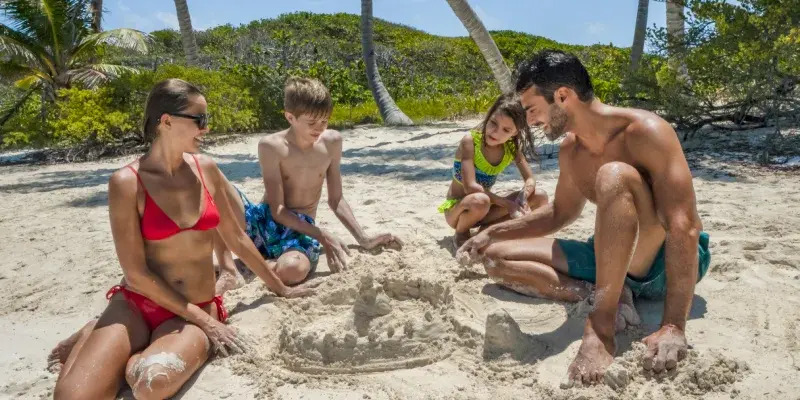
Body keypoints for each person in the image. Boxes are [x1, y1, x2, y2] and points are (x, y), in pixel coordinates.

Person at [456, 50, 711, 385]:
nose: (529, 122)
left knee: (614, 175)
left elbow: (685, 225)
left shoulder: (645, 131)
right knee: (495, 259)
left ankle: (602, 324)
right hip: (611, 253)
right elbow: (560, 213)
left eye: (532, 110)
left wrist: (673, 326)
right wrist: (494, 233)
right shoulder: (571, 150)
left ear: (563, 96)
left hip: (663, 259)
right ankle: (610, 295)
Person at [50, 79, 314, 400]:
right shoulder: (126, 182)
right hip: (138, 303)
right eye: (199, 120)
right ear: (166, 121)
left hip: (196, 304)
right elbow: (135, 274)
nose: (206, 129)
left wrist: (280, 287)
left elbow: (236, 238)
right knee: (71, 397)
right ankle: (106, 334)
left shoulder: (206, 168)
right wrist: (209, 324)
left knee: (152, 384)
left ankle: (124, 347)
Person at [216, 77, 403, 285]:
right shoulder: (272, 146)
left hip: (299, 230)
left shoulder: (332, 142)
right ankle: (233, 265)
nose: (319, 128)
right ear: (290, 117)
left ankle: (253, 264)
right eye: (311, 122)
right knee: (212, 176)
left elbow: (336, 199)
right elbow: (277, 210)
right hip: (263, 221)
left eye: (324, 121)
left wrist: (363, 239)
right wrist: (323, 235)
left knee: (291, 271)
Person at [438, 93, 548, 248]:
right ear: (488, 116)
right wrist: (509, 205)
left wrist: (523, 197)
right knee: (480, 200)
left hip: (486, 210)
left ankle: (488, 230)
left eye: (506, 129)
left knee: (540, 196)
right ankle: (462, 233)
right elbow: (470, 187)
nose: (495, 132)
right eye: (493, 123)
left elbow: (530, 179)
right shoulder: (470, 142)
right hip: (459, 210)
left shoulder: (511, 148)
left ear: (515, 133)